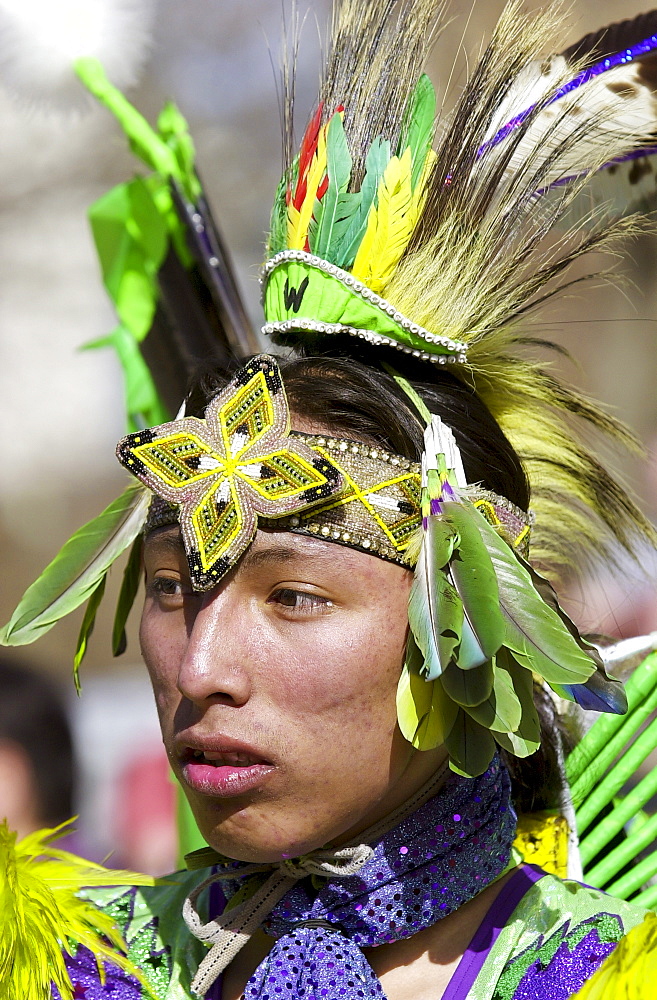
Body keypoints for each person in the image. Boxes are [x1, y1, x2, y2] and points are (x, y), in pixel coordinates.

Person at [3, 3, 657, 999]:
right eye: (174, 587)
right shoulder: (60, 970)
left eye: (294, 597)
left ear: (463, 634)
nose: (202, 668)